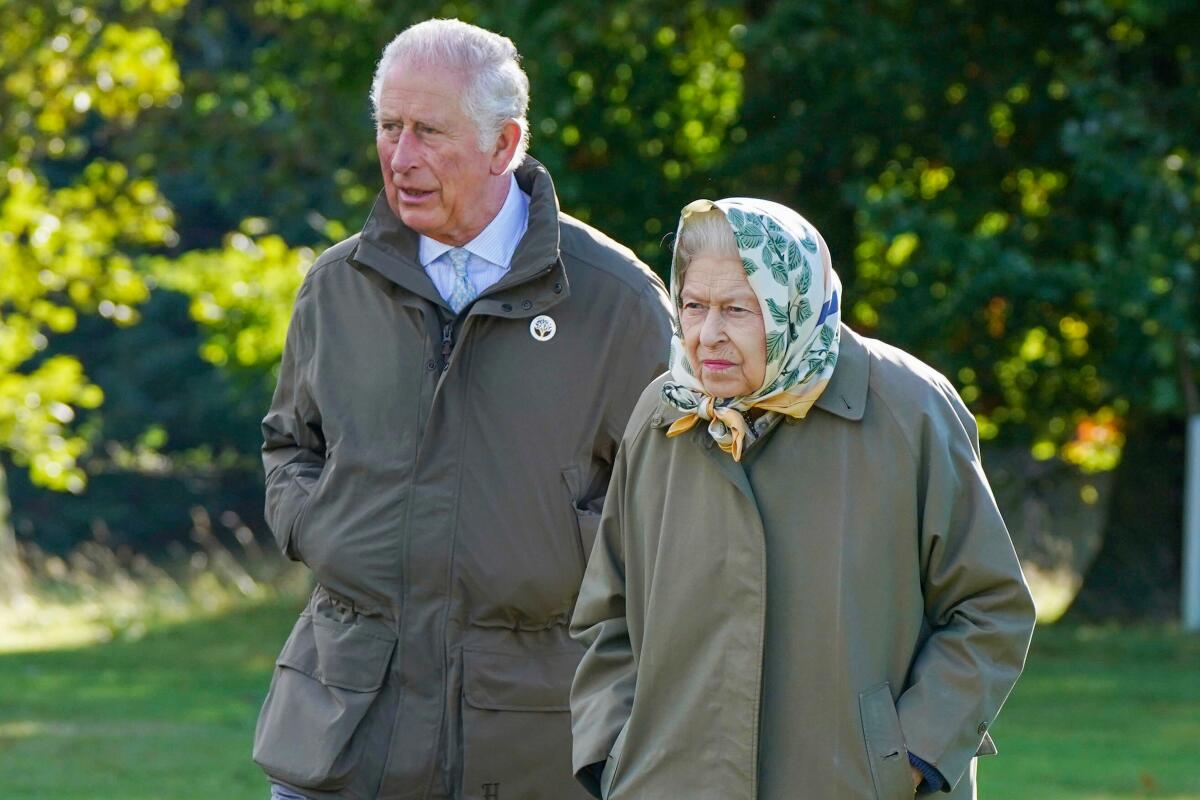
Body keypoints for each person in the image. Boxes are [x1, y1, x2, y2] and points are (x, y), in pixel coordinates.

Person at [253, 19, 672, 800]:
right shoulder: (336, 286)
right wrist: (316, 525)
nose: (400, 157)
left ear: (504, 145)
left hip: (536, 739)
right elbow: (290, 442)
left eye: (428, 132)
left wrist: (573, 544)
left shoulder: (618, 302)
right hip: (343, 728)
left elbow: (675, 494)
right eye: (388, 127)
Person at [569, 198, 1036, 799]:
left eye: (737, 309)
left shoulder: (909, 410)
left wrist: (907, 759)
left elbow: (989, 608)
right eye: (693, 306)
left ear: (793, 302)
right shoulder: (664, 414)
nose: (707, 335)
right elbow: (610, 616)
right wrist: (616, 755)